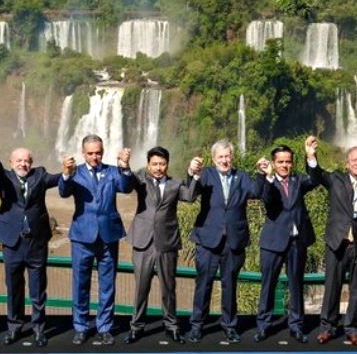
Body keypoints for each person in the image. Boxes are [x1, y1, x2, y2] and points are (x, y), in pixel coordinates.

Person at [306, 136, 357, 347]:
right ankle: (327, 328)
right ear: (347, 163)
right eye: (354, 160)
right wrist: (311, 156)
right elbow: (316, 175)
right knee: (332, 287)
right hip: (337, 242)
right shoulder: (336, 180)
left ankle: (353, 329)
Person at [187, 139, 268, 344]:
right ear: (214, 159)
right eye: (220, 157)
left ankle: (230, 326)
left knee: (230, 285)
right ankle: (197, 326)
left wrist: (261, 174)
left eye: (227, 156)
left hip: (234, 240)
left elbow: (256, 192)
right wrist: (192, 173)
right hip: (208, 239)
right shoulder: (206, 174)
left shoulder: (242, 176)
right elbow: (191, 192)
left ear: (232, 157)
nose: (224, 160)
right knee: (203, 284)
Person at [0, 148, 60, 347]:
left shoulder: (40, 175)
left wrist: (69, 171)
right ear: (11, 162)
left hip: (36, 242)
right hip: (12, 242)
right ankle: (14, 327)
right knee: (13, 288)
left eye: (26, 161)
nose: (23, 164)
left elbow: (59, 179)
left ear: (31, 163)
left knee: (38, 289)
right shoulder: (4, 177)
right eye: (18, 160)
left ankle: (39, 329)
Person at [58, 134, 133, 346]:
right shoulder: (75, 172)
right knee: (80, 284)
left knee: (107, 285)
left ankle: (105, 327)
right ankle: (81, 327)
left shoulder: (114, 171)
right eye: (90, 153)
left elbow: (127, 187)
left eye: (98, 153)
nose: (94, 157)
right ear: (83, 153)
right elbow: (63, 192)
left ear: (103, 152)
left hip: (109, 235)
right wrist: (65, 174)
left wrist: (125, 167)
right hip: (82, 236)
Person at [124, 147, 202, 345]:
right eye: (154, 164)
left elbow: (190, 196)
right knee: (141, 288)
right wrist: (124, 166)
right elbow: (126, 183)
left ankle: (172, 327)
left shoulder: (175, 184)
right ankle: (136, 327)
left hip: (166, 242)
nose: (158, 168)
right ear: (148, 165)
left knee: (169, 288)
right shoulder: (140, 179)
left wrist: (193, 174)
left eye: (162, 164)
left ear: (167, 164)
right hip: (143, 241)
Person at [253, 145, 319, 343]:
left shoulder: (298, 180)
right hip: (272, 242)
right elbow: (267, 199)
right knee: (268, 285)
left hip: (296, 242)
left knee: (296, 284)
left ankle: (296, 325)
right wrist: (268, 177)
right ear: (274, 163)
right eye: (280, 162)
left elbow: (315, 180)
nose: (284, 165)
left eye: (288, 162)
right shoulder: (266, 181)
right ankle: (263, 326)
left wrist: (311, 156)